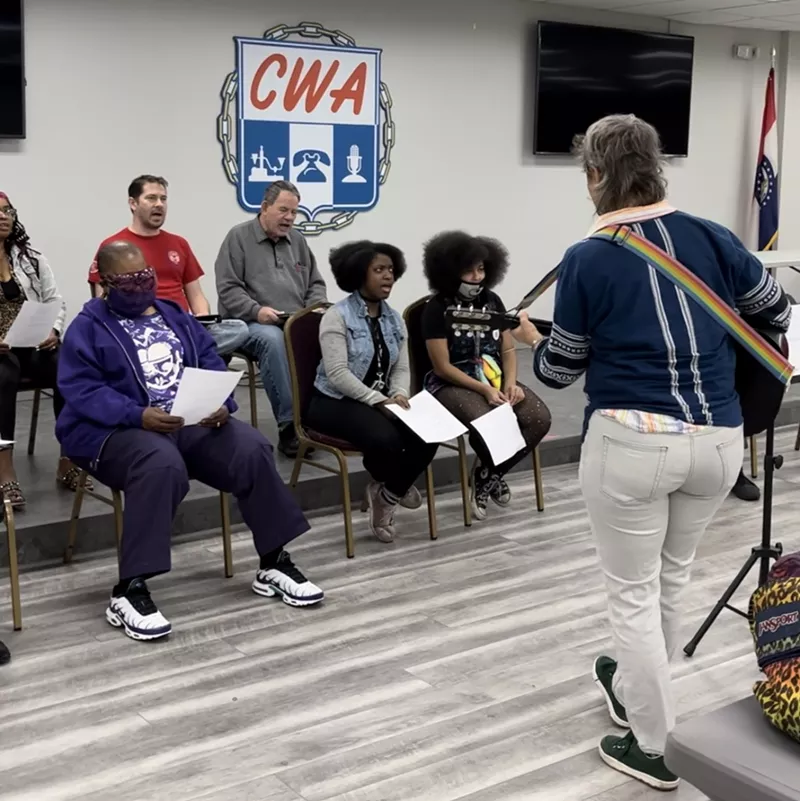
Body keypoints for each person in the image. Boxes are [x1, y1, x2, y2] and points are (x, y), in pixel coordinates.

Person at [511, 114, 791, 791]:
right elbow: (776, 309)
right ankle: (638, 693)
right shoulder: (713, 236)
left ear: (596, 176)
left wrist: (527, 338)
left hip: (632, 442)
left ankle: (656, 746)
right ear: (657, 167)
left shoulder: (589, 257)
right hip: (721, 441)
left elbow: (560, 368)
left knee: (632, 596)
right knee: (670, 579)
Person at [57, 240, 324, 642]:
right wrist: (137, 414)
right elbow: (81, 389)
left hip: (187, 419)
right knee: (160, 464)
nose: (141, 285)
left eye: (145, 275)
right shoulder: (88, 327)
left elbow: (210, 359)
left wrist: (221, 401)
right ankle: (130, 588)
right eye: (129, 280)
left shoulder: (174, 314)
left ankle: (273, 561)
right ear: (106, 284)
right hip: (117, 430)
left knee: (251, 448)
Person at [306, 241, 438, 543]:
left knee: (428, 432)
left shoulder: (394, 320)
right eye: (378, 270)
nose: (387, 276)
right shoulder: (336, 316)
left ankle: (387, 495)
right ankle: (396, 484)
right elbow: (338, 374)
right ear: (358, 274)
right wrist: (379, 400)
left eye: (391, 270)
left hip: (381, 400)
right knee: (387, 439)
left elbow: (402, 367)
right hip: (331, 401)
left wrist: (400, 392)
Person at [421, 231, 551, 520]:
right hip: (451, 382)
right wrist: (484, 390)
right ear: (449, 271)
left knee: (539, 418)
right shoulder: (436, 308)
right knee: (491, 420)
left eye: (481, 268)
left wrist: (510, 383)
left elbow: (507, 349)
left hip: (493, 378)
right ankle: (492, 471)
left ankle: (488, 473)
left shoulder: (493, 301)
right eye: (468, 270)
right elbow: (442, 367)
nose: (476, 276)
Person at [215, 181, 328, 458]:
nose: (290, 218)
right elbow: (228, 288)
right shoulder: (238, 237)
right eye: (283, 210)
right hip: (251, 322)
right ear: (265, 207)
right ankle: (290, 427)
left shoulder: (298, 240)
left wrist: (312, 309)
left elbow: (315, 283)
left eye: (294, 212)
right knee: (274, 342)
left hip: (295, 319)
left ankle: (321, 419)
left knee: (333, 334)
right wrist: (256, 311)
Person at [88, 175, 249, 356]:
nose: (159, 204)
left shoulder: (179, 244)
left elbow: (196, 296)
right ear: (133, 203)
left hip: (182, 325)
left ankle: (177, 351)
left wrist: (203, 321)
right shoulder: (114, 246)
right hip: (140, 327)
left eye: (163, 199)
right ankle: (184, 352)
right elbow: (101, 301)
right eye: (151, 198)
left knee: (238, 328)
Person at [0, 191, 86, 505]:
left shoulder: (31, 257)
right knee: (3, 378)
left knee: (68, 366)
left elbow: (55, 300)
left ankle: (69, 460)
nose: (3, 216)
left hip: (31, 340)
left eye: (7, 210)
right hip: (1, 352)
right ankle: (4, 469)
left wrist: (54, 328)